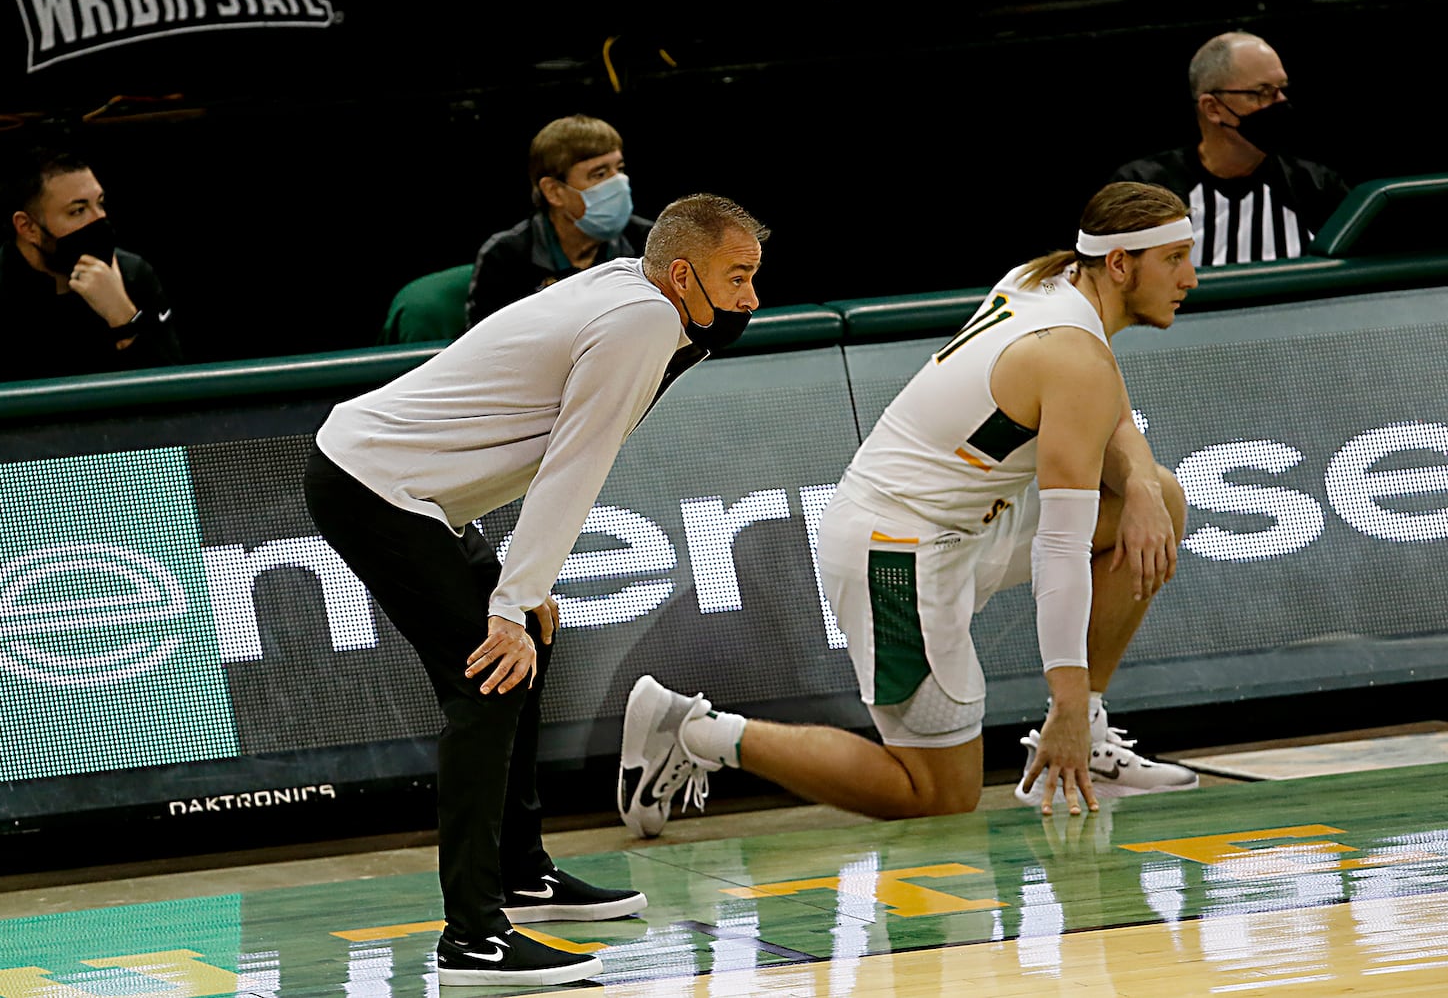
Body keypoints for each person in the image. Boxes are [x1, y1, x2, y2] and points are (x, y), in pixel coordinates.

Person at [618, 181, 1201, 840]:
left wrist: (1147, 491)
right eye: (1175, 258)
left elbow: (1108, 402)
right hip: (895, 555)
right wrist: (1061, 701)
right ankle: (696, 730)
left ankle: (1090, 730)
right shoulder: (1071, 355)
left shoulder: (1054, 280)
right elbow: (1060, 548)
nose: (1192, 276)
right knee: (938, 795)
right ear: (1120, 264)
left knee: (1160, 494)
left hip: (964, 525)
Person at [304, 194, 766, 986]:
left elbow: (552, 440)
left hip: (410, 487)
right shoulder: (643, 322)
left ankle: (521, 874)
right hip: (375, 484)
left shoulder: (637, 289)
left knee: (529, 648)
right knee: (487, 680)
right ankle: (472, 938)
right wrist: (511, 599)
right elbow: (576, 463)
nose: (752, 298)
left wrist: (522, 593)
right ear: (684, 275)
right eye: (739, 277)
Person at [0, 146, 181, 390]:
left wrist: (123, 317)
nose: (100, 220)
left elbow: (180, 401)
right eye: (77, 211)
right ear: (28, 228)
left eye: (100, 204)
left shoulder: (133, 276)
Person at [1110, 31, 1348, 266]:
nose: (1281, 102)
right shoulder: (1144, 190)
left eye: (1281, 89)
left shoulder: (1315, 186)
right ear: (1212, 108)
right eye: (1263, 92)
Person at [464, 114, 654, 329]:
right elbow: (486, 348)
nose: (618, 183)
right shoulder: (504, 257)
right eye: (599, 174)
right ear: (554, 192)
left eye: (618, 169)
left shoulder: (651, 243)